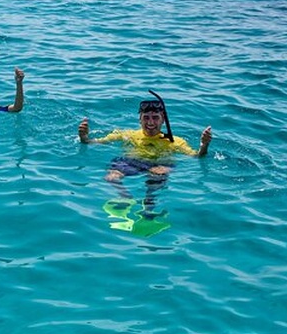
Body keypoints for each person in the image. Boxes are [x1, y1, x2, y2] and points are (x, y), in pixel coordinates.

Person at [78, 93, 212, 232]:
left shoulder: (175, 141)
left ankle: (148, 209)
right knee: (111, 177)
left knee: (157, 175)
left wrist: (204, 145)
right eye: (146, 118)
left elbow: (196, 157)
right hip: (131, 162)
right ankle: (125, 197)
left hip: (159, 165)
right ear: (140, 120)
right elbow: (94, 143)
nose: (150, 122)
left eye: (155, 118)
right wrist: (84, 137)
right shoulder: (127, 134)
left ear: (163, 120)